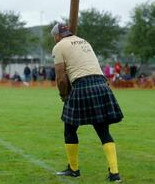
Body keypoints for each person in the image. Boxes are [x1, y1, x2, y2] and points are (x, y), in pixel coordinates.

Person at [51, 23, 123, 182]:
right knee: (103, 131)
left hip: (82, 86)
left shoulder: (58, 46)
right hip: (101, 85)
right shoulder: (84, 41)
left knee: (69, 129)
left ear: (57, 36)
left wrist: (63, 95)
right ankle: (114, 174)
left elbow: (61, 77)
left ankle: (74, 170)